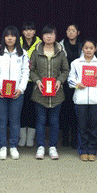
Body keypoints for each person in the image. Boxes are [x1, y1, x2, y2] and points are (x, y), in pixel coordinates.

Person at [30, 25, 69, 160]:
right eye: (46, 34)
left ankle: (53, 147)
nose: (48, 37)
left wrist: (59, 81)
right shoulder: (36, 52)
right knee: (40, 120)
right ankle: (40, 147)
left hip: (56, 93)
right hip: (39, 93)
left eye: (51, 34)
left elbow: (65, 70)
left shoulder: (61, 52)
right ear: (42, 36)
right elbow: (31, 70)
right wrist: (37, 81)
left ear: (55, 36)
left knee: (54, 121)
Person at [0, 26, 30, 160]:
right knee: (1, 120)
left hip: (17, 92)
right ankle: (3, 146)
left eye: (13, 36)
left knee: (15, 120)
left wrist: (21, 89)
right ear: (3, 38)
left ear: (17, 38)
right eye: (7, 36)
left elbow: (26, 72)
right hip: (0, 92)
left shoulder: (23, 53)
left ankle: (13, 146)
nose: (10, 38)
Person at [68, 39, 97, 161]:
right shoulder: (76, 63)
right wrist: (77, 84)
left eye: (91, 48)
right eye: (86, 48)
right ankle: (83, 150)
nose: (88, 50)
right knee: (82, 126)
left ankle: (92, 150)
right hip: (81, 99)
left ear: (95, 49)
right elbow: (70, 79)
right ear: (82, 49)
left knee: (94, 127)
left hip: (96, 99)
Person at [59, 23, 82, 148]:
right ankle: (65, 137)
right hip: (64, 83)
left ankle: (74, 138)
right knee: (65, 110)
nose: (71, 32)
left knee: (76, 111)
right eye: (68, 30)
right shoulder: (60, 46)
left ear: (78, 32)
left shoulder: (82, 46)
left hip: (79, 83)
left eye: (73, 30)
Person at [19, 21, 41, 147]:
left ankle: (30, 138)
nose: (28, 32)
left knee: (33, 109)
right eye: (26, 30)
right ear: (23, 32)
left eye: (31, 29)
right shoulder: (17, 43)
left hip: (35, 81)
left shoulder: (40, 44)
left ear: (34, 31)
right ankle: (22, 137)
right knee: (21, 109)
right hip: (20, 82)